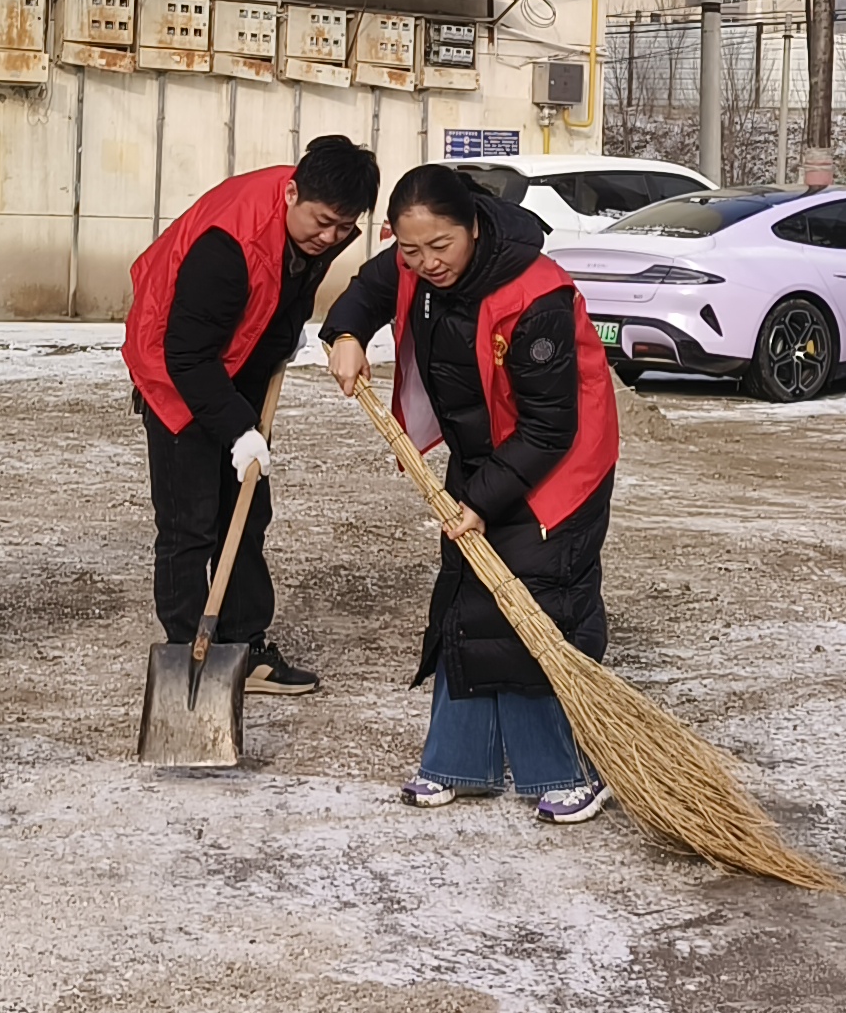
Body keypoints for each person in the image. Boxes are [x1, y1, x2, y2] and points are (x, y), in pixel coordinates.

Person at [321, 165, 616, 822]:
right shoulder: (415, 265)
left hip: (558, 468)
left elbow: (550, 427)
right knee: (466, 598)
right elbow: (368, 289)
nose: (425, 263)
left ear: (473, 226)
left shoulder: (536, 294)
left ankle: (568, 770)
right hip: (482, 456)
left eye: (440, 246)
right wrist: (345, 334)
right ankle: (458, 760)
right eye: (410, 250)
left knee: (537, 606)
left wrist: (482, 502)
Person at [121, 135, 379, 695]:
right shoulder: (228, 246)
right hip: (174, 372)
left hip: (239, 360)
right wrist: (239, 430)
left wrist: (277, 346)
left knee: (246, 513)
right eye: (323, 223)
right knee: (191, 524)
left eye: (344, 227)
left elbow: (287, 291)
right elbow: (186, 357)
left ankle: (244, 645)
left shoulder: (314, 225)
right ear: (291, 194)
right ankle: (188, 653)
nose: (330, 237)